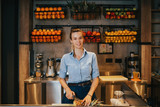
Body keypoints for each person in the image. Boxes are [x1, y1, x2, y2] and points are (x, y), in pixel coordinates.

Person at [59, 28, 99, 106]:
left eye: (80, 38)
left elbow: (96, 78)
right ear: (71, 41)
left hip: (88, 91)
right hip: (71, 92)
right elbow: (61, 78)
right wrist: (67, 90)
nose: (78, 41)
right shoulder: (65, 58)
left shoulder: (92, 56)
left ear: (83, 39)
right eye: (75, 39)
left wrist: (89, 95)